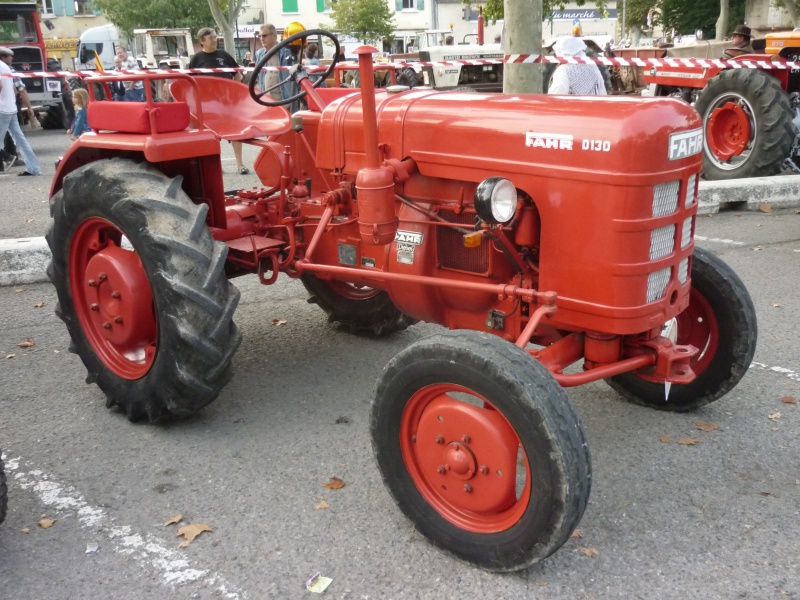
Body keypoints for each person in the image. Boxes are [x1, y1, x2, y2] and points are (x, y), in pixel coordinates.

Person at [188, 27, 249, 174]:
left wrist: (237, 92)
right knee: (212, 135)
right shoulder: (196, 60)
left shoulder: (224, 55)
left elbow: (237, 74)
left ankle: (240, 165)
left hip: (227, 102)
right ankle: (217, 167)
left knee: (235, 132)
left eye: (215, 37)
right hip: (207, 104)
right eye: (211, 38)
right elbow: (189, 82)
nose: (215, 40)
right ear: (202, 41)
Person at [0, 47, 41, 176]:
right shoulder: (7, 68)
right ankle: (33, 167)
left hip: (2, 108)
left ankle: (8, 157)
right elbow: (15, 89)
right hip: (10, 107)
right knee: (20, 139)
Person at [254, 23, 290, 102]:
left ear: (274, 36)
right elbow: (257, 77)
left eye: (264, 36)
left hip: (285, 103)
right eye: (260, 36)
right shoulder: (259, 54)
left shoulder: (287, 53)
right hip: (266, 103)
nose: (261, 39)